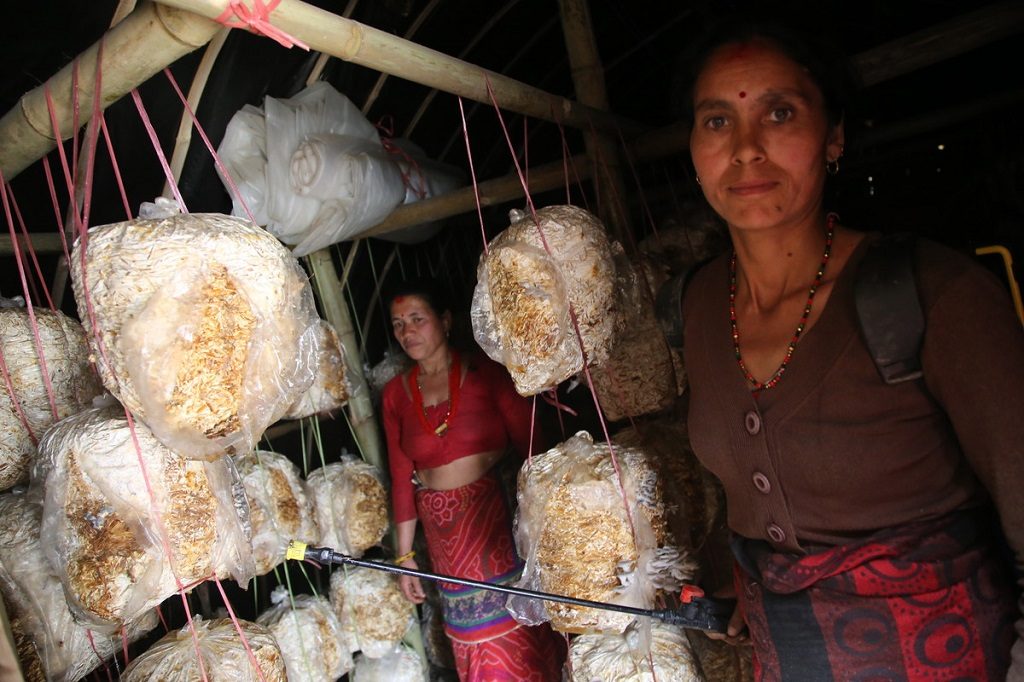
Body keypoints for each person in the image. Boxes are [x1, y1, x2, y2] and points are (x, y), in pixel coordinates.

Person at [675, 19, 1024, 681]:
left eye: (780, 113)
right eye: (717, 121)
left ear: (832, 136)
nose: (746, 149)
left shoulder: (935, 295)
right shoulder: (697, 311)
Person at [380, 277, 565, 682]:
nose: (407, 331)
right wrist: (405, 557)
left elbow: (535, 450)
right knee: (474, 640)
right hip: (447, 542)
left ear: (444, 321)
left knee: (523, 632)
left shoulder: (486, 373)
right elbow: (400, 479)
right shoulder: (395, 395)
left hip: (497, 526)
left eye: (417, 318)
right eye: (398, 324)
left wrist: (552, 528)